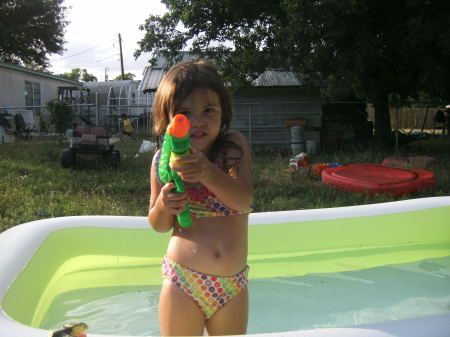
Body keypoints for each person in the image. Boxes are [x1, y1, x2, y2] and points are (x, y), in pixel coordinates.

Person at [148, 60, 253, 336]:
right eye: (184, 113)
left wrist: (207, 172)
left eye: (208, 110)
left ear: (223, 113)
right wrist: (163, 205)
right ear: (167, 118)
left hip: (231, 285)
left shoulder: (232, 149)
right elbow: (158, 225)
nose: (198, 121)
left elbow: (243, 201)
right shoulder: (163, 160)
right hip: (184, 279)